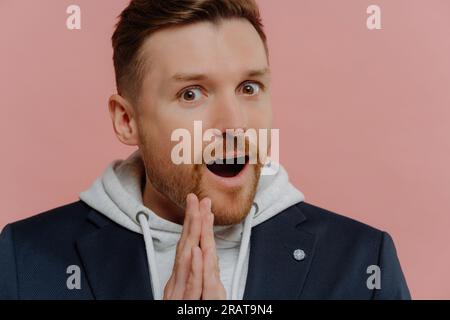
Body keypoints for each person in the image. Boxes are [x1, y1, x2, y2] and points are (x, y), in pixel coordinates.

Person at [0, 0, 410, 300]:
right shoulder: (24, 261)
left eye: (249, 88)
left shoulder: (361, 262)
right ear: (127, 121)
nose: (233, 124)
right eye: (191, 93)